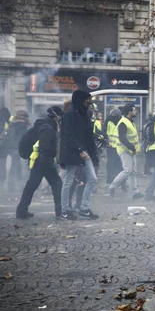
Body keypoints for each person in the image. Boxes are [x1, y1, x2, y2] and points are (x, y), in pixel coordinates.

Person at [16, 107, 64, 219]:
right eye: (60, 115)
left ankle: (21, 210)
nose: (61, 118)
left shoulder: (45, 125)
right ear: (55, 116)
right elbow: (44, 146)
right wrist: (48, 163)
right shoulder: (48, 128)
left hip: (39, 160)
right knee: (57, 184)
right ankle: (60, 211)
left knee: (31, 186)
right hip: (43, 161)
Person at [59, 90, 99, 220]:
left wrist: (93, 154)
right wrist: (80, 150)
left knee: (92, 179)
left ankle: (84, 208)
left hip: (84, 152)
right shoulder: (69, 115)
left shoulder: (85, 115)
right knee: (68, 181)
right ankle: (65, 210)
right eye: (87, 99)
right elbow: (67, 136)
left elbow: (89, 136)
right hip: (72, 153)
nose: (89, 102)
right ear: (80, 100)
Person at [108, 104, 143, 199]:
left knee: (133, 172)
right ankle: (112, 187)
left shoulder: (130, 122)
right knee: (127, 170)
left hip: (130, 150)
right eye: (134, 110)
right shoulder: (123, 122)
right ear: (129, 112)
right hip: (124, 150)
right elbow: (122, 138)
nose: (136, 111)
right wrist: (131, 147)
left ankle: (135, 193)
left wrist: (134, 148)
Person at [5, 110, 30, 193]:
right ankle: (15, 185)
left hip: (12, 149)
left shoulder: (13, 124)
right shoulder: (21, 125)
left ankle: (13, 185)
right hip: (17, 149)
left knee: (15, 166)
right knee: (16, 166)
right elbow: (22, 139)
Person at [103, 109, 123, 187]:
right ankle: (120, 183)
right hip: (117, 147)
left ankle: (111, 181)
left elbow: (104, 132)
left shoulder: (108, 121)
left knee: (111, 165)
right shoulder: (121, 121)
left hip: (111, 147)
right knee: (119, 165)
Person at [0, 107, 11, 190]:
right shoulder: (8, 122)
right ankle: (2, 182)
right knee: (2, 164)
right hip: (3, 147)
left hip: (3, 146)